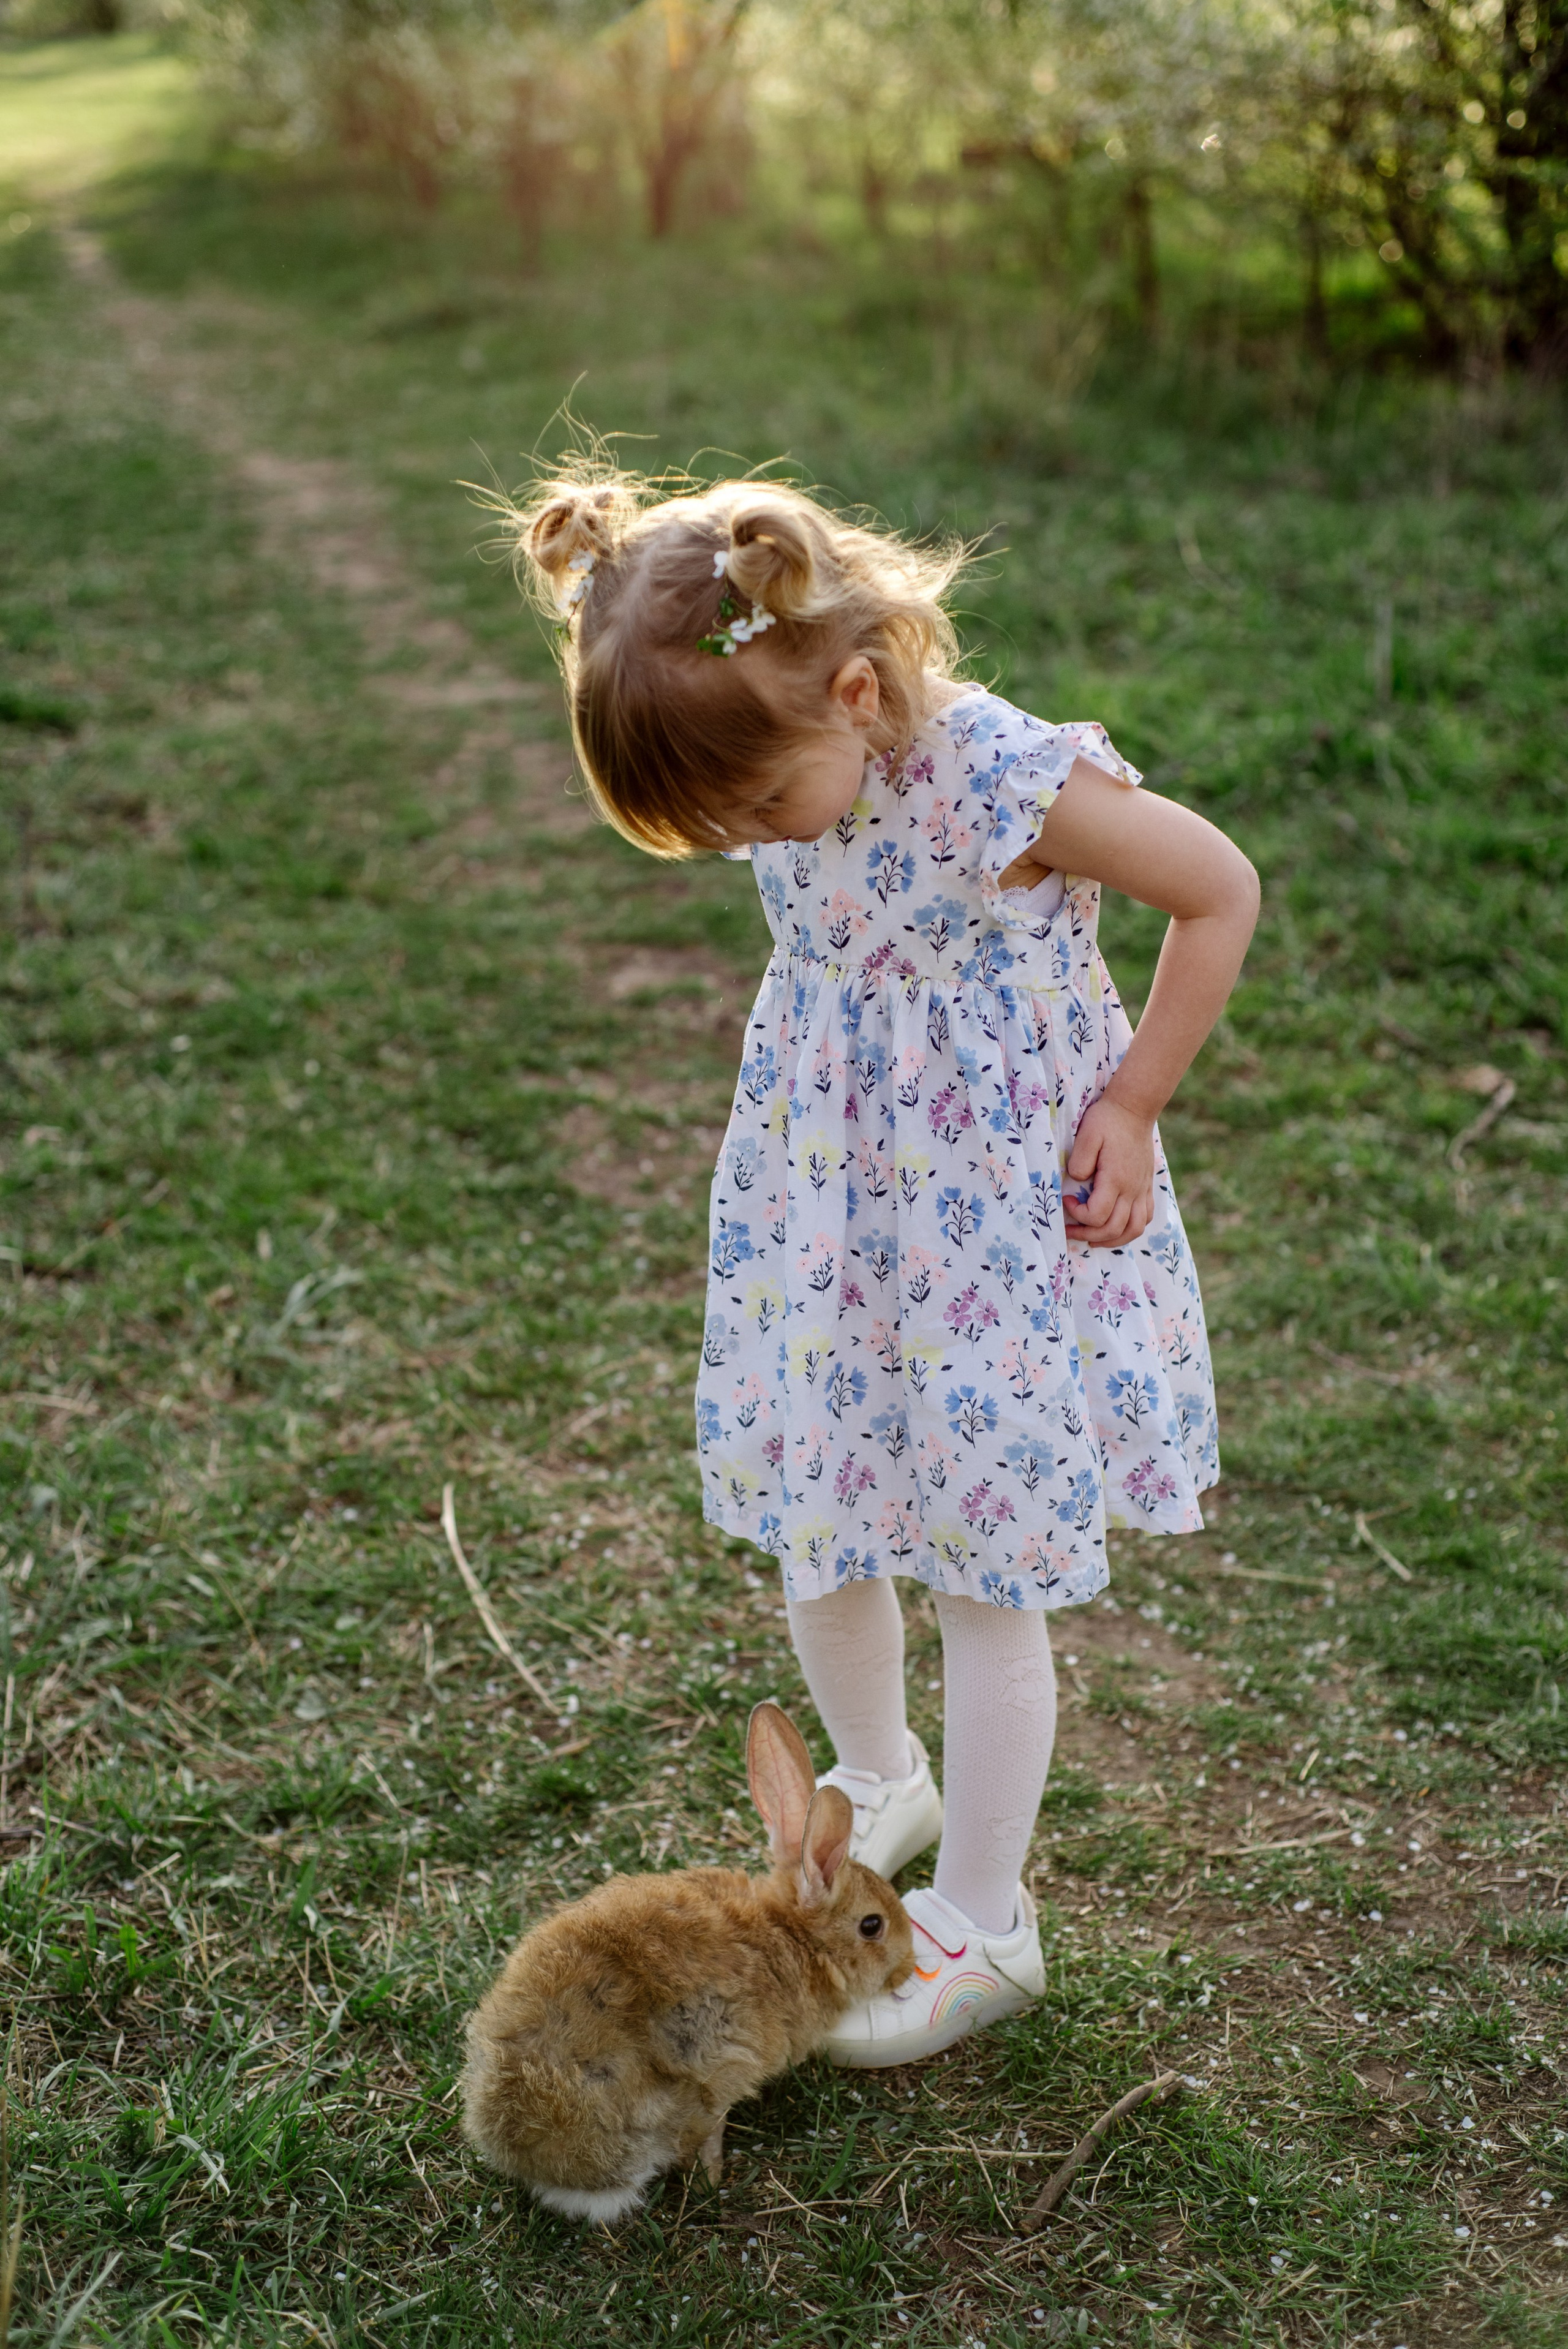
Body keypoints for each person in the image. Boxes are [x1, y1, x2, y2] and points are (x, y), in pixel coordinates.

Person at [505, 462, 1259, 2066]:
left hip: (991, 1220)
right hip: (833, 1208)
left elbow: (1219, 887)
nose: (750, 844)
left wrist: (1133, 1100)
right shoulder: (787, 738)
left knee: (986, 1564)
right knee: (817, 1496)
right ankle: (881, 1771)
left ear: (855, 690)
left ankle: (987, 1916)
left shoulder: (1000, 777)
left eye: (758, 812)